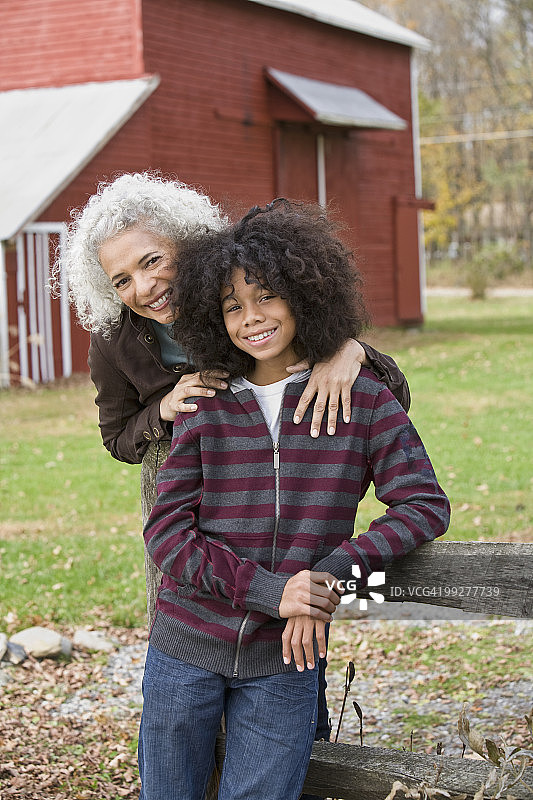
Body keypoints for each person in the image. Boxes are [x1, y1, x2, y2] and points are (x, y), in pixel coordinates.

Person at [58, 173, 411, 799]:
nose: (143, 287)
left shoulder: (243, 280)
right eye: (121, 280)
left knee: (275, 751)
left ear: (188, 248)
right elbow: (120, 441)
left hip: (287, 620)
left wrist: (344, 351)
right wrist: (164, 409)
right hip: (195, 582)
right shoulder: (118, 343)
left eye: (153, 262)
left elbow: (297, 315)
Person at [140, 199, 450, 800]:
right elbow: (167, 533)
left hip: (286, 659)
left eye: (266, 297)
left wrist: (328, 579)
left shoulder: (361, 400)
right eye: (233, 306)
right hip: (184, 649)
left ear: (304, 296)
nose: (251, 318)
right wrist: (272, 592)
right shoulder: (206, 406)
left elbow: (423, 505)